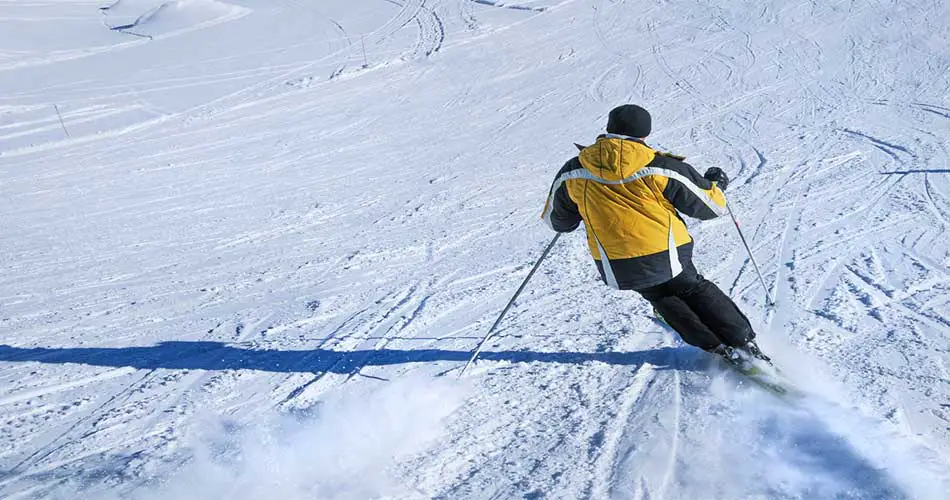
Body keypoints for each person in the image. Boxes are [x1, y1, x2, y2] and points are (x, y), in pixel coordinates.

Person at [541, 104, 768, 364]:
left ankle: (716, 347)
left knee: (659, 296)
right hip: (665, 252)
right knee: (692, 288)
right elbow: (710, 207)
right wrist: (716, 185)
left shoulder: (574, 169)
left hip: (616, 262)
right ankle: (744, 343)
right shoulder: (657, 165)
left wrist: (576, 211)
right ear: (644, 134)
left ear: (608, 129)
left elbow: (557, 221)